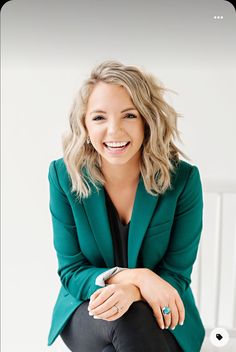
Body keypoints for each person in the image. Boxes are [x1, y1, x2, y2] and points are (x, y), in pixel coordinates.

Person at [47, 59, 205, 352]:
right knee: (127, 317)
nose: (114, 131)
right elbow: (71, 271)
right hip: (89, 309)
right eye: (99, 118)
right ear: (84, 124)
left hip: (164, 312)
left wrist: (132, 291)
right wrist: (136, 276)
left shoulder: (183, 180)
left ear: (147, 120)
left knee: (129, 324)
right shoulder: (63, 176)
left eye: (129, 115)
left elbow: (177, 273)